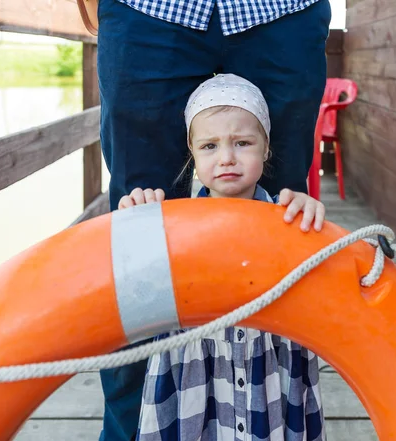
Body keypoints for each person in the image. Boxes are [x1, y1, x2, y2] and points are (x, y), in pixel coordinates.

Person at [97, 1, 331, 439]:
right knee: (138, 246)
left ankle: (270, 421)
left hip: (282, 13)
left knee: (283, 220)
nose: (224, 157)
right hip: (148, 12)